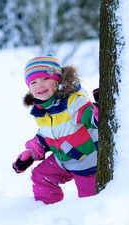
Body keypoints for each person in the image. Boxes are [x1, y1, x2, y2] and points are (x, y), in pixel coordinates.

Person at [12, 53, 99, 204]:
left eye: (45, 79)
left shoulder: (72, 101)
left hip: (87, 162)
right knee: (41, 176)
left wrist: (99, 110)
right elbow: (45, 135)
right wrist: (31, 152)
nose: (39, 85)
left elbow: (91, 118)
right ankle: (47, 210)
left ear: (57, 81)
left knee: (89, 201)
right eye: (33, 82)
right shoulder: (42, 109)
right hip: (63, 157)